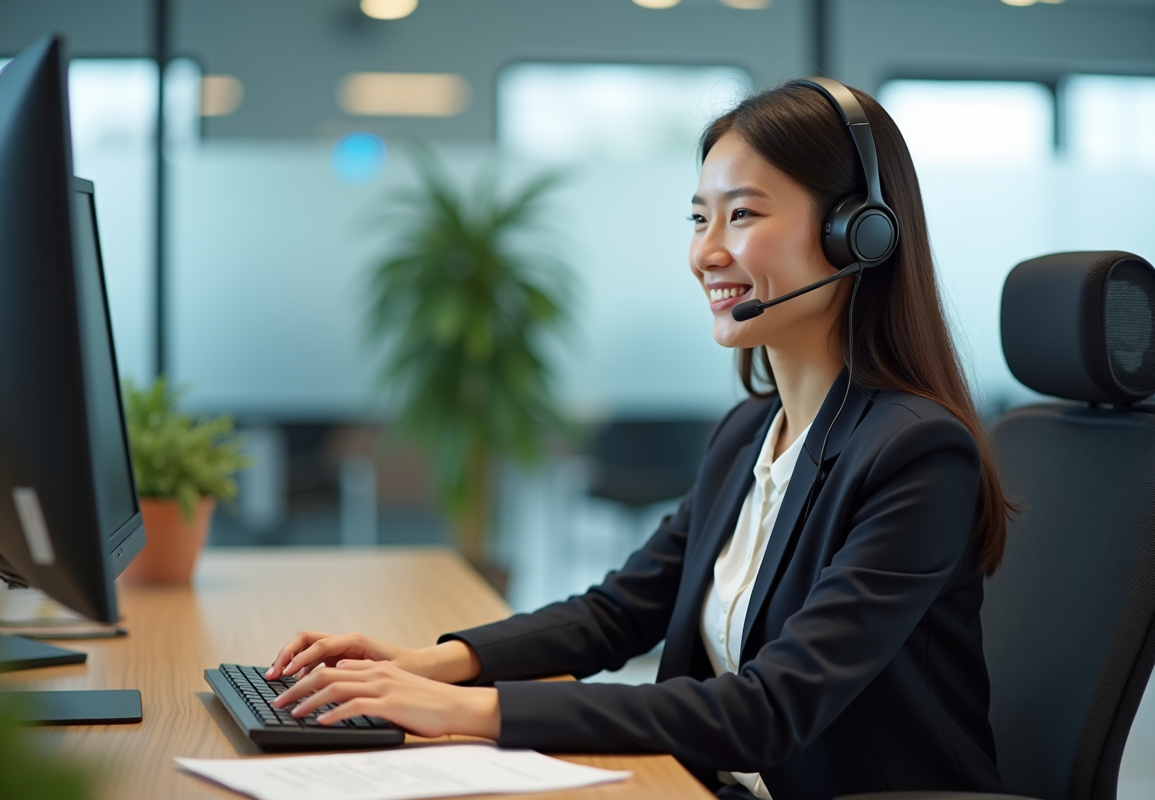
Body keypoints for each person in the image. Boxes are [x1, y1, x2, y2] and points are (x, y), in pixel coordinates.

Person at [266, 79, 1013, 800]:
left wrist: (469, 712)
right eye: (699, 219)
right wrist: (430, 664)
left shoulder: (916, 456)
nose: (707, 253)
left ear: (858, 234)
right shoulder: (749, 433)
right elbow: (617, 612)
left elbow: (767, 711)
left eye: (743, 216)